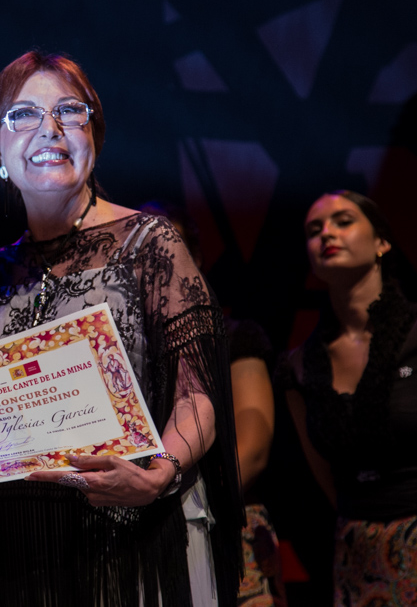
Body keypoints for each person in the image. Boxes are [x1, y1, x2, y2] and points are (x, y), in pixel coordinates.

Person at [0, 51, 244, 607]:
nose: (50, 129)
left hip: (137, 536)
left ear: (93, 137)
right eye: (23, 114)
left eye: (69, 112)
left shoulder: (148, 242)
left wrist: (159, 474)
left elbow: (199, 394)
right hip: (26, 548)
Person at [276, 190, 417, 606]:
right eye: (314, 230)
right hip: (359, 556)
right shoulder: (298, 367)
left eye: (343, 221)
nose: (326, 234)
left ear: (382, 242)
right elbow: (327, 479)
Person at [140, 201, 286, 606]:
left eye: (170, 250)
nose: (157, 267)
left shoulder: (235, 336)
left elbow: (252, 451)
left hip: (225, 517)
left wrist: (168, 494)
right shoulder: (130, 349)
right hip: (148, 520)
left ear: (197, 259)